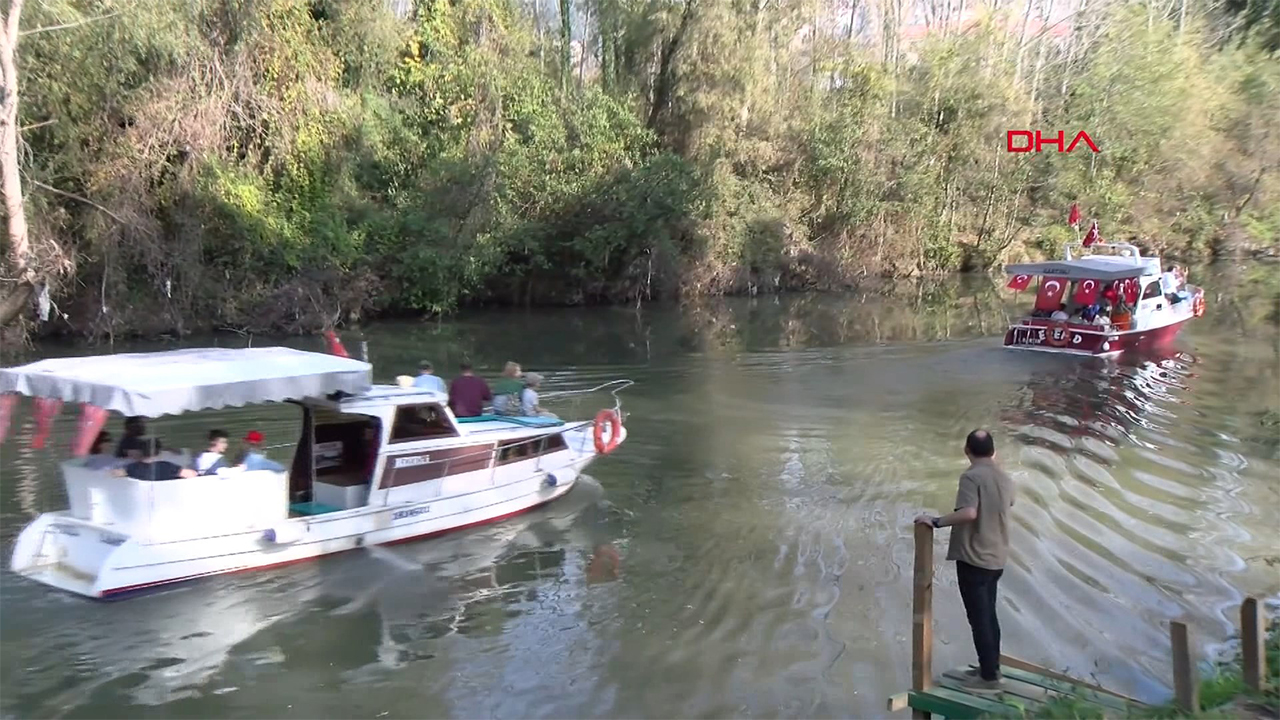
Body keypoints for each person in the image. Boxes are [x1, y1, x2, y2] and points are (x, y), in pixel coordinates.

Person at [914, 430, 1016, 694]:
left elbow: (969, 513)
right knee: (989, 615)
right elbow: (1008, 504)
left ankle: (990, 679)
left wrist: (935, 521)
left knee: (979, 618)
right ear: (994, 452)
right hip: (997, 557)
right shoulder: (1004, 478)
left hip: (974, 557)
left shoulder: (971, 477)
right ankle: (990, 667)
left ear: (966, 450)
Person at [116, 439, 197, 481]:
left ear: (142, 452)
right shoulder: (166, 466)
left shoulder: (132, 468)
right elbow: (192, 474)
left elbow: (113, 474)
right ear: (159, 452)